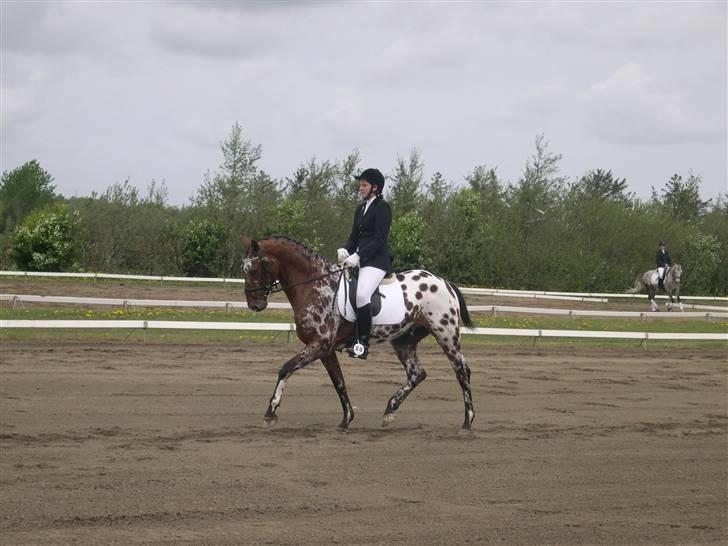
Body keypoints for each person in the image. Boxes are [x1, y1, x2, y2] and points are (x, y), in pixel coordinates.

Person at [337, 168, 393, 359]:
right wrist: (345, 249)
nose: (360, 188)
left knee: (361, 294)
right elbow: (354, 237)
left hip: (375, 262)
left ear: (375, 187)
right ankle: (346, 335)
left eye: (364, 185)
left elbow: (379, 240)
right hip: (358, 259)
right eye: (360, 185)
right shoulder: (360, 209)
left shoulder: (383, 207)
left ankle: (362, 342)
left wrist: (359, 256)